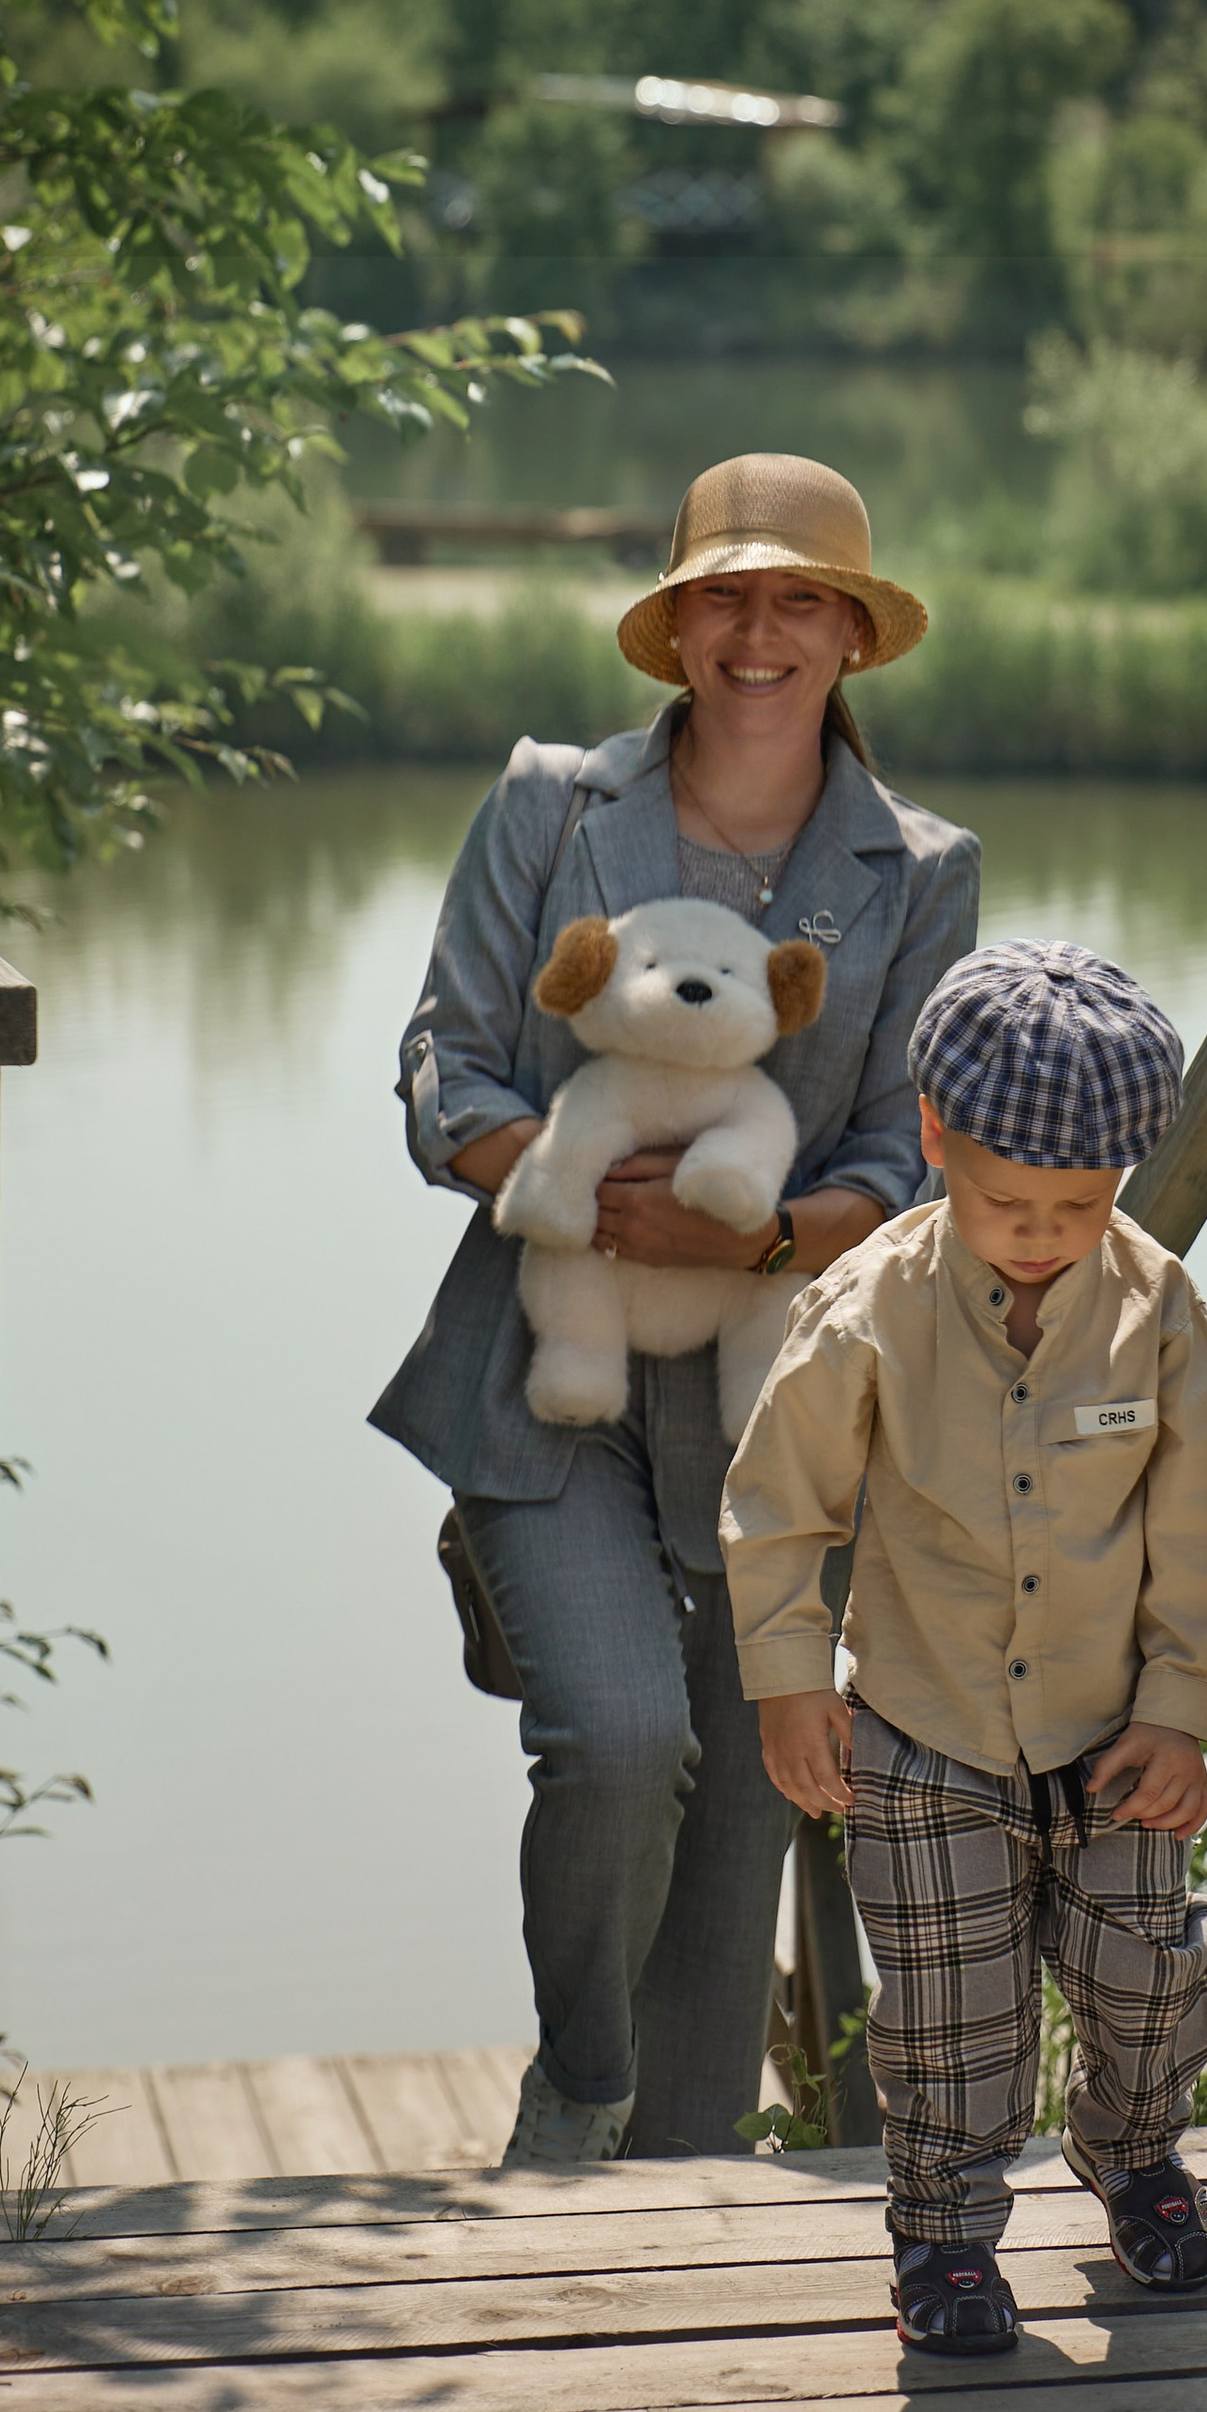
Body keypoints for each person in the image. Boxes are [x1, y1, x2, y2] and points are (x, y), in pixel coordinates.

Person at [377, 454, 979, 2167]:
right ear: (674, 625)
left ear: (853, 631)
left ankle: (685, 2230)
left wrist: (767, 1238)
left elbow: (905, 1149)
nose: (759, 630)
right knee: (622, 1740)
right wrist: (572, 1181)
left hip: (779, 1406)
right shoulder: (552, 803)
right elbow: (444, 1065)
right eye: (725, 592)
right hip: (540, 1369)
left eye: (800, 597)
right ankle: (571, 2101)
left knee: (742, 1840)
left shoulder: (922, 867)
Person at [722, 940, 1207, 2358]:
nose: (1039, 1231)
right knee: (955, 2017)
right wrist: (788, 1683)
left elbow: (1205, 1537)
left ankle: (1132, 2150)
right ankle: (947, 2233)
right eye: (1007, 1199)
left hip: (1113, 1735)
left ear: (1123, 1177)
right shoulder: (870, 1310)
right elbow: (779, 1508)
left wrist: (1182, 1710)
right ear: (933, 1137)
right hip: (926, 1731)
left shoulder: (1166, 1320)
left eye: (1078, 1206)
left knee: (1150, 1977)